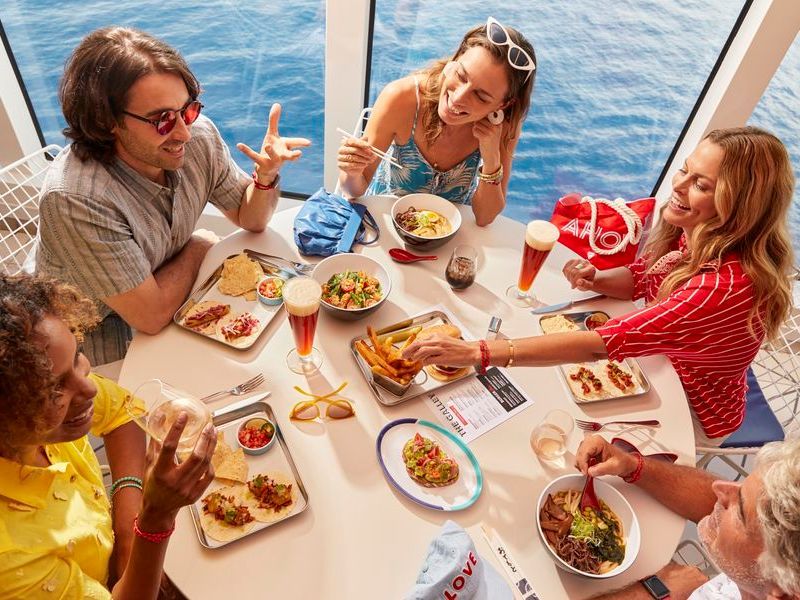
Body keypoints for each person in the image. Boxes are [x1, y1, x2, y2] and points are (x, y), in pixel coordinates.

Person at [404, 126, 795, 445]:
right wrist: (599, 278)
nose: (679, 185)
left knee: (561, 428)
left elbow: (602, 343)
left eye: (702, 185)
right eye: (685, 170)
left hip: (692, 409)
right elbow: (644, 277)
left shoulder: (723, 287)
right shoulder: (697, 230)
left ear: (738, 205)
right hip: (658, 361)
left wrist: (478, 352)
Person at [34, 26, 310, 366]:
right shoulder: (76, 199)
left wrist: (265, 177)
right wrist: (199, 244)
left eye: (187, 110)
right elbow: (150, 317)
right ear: (107, 122)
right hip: (88, 342)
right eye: (162, 120)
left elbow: (250, 217)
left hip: (166, 293)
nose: (183, 132)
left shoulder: (199, 137)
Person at [0, 273, 216, 599]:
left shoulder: (40, 392)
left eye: (77, 356)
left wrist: (128, 534)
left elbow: (121, 414)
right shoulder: (11, 559)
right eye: (54, 389)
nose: (89, 388)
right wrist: (155, 518)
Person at [337, 17, 536, 226]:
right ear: (455, 58)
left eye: (481, 96)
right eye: (461, 75)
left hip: (448, 231)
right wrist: (351, 171)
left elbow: (485, 217)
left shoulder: (503, 128)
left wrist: (492, 158)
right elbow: (353, 191)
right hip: (384, 222)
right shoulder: (401, 98)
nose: (458, 98)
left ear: (503, 105)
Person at [575, 434, 800, 600]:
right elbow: (712, 504)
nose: (718, 488)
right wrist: (632, 465)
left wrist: (652, 591)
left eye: (739, 510)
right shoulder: (765, 579)